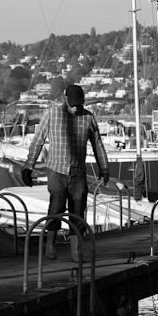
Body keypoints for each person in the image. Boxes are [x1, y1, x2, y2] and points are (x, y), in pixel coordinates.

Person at [22, 84, 109, 261]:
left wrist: (104, 168)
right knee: (56, 207)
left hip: (78, 172)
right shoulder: (52, 114)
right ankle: (50, 245)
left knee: (78, 210)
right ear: (65, 99)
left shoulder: (88, 118)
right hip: (56, 170)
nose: (76, 107)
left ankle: (76, 251)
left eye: (79, 103)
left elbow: (98, 145)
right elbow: (38, 140)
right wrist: (28, 167)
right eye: (73, 103)